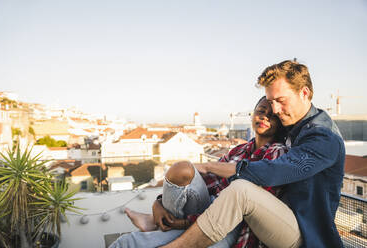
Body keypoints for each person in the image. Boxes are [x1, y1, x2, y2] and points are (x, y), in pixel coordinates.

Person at [160, 60, 345, 248]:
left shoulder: (324, 137)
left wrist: (209, 165)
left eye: (280, 100)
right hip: (274, 216)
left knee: (242, 190)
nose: (274, 110)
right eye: (271, 102)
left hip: (306, 234)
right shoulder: (291, 125)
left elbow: (275, 171)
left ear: (304, 93)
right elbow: (250, 152)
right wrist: (160, 201)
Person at [109, 96, 288, 248]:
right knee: (182, 168)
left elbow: (252, 209)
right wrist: (159, 204)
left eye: (272, 116)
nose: (265, 117)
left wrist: (187, 222)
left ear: (280, 124)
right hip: (205, 209)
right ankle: (156, 219)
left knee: (127, 242)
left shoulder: (276, 152)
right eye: (262, 111)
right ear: (253, 113)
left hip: (228, 226)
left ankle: (154, 222)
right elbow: (207, 182)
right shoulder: (239, 150)